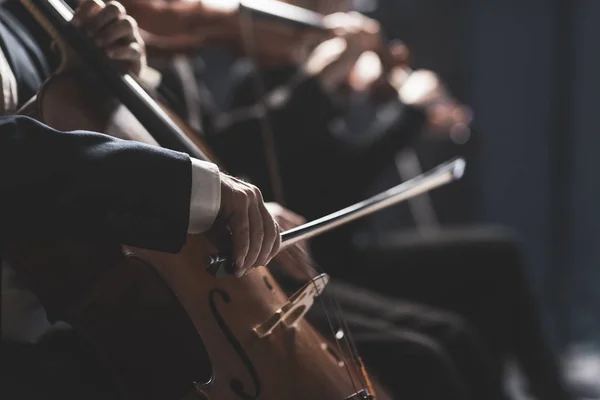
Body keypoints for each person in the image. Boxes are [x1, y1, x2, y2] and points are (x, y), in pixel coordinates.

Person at [0, 1, 494, 399]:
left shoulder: (48, 17)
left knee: (441, 340)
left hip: (206, 265)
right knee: (429, 352)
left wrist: (112, 76)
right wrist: (203, 190)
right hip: (62, 317)